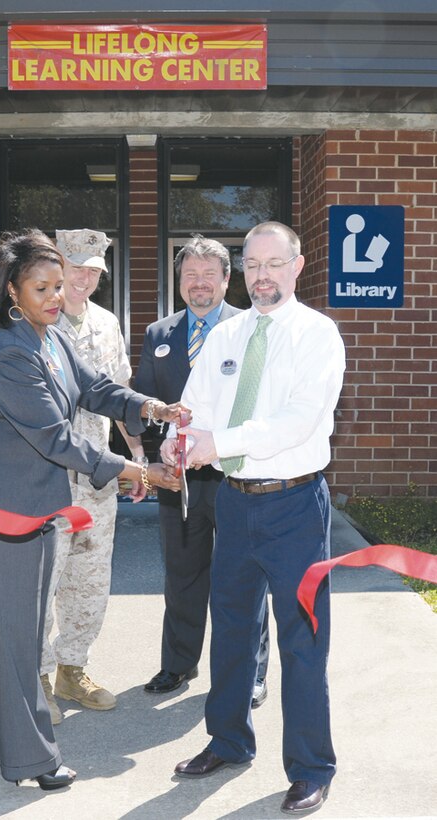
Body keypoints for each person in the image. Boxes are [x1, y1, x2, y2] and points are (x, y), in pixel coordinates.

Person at [0, 229, 186, 791]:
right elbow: (58, 440)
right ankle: (33, 761)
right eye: (42, 287)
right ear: (13, 290)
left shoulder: (50, 337)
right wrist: (140, 472)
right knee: (20, 634)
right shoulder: (9, 353)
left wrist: (151, 406)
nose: (56, 297)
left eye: (59, 286)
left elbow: (96, 388)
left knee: (17, 631)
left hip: (33, 505)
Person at [166, 222, 345, 815]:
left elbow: (297, 421)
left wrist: (218, 442)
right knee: (234, 626)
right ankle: (229, 741)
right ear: (242, 270)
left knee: (302, 638)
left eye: (274, 263)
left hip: (295, 503)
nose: (262, 275)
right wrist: (178, 437)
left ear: (298, 266)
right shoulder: (227, 333)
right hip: (235, 502)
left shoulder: (319, 335)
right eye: (253, 264)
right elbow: (195, 405)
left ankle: (311, 766)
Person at [134, 234, 270, 705]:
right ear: (179, 282)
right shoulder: (159, 334)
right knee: (183, 573)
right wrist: (156, 458)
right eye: (189, 275)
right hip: (180, 479)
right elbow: (143, 403)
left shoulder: (250, 328)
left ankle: (251, 672)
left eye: (209, 275)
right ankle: (178, 663)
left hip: (236, 475)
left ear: (227, 279)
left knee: (243, 576)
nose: (199, 284)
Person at [40, 228, 146, 724]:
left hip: (99, 479)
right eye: (75, 267)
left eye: (92, 270)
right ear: (58, 266)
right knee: (43, 579)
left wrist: (139, 460)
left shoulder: (106, 324)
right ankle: (35, 679)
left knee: (89, 579)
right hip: (47, 479)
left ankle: (71, 669)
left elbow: (120, 395)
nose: (83, 277)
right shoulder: (35, 320)